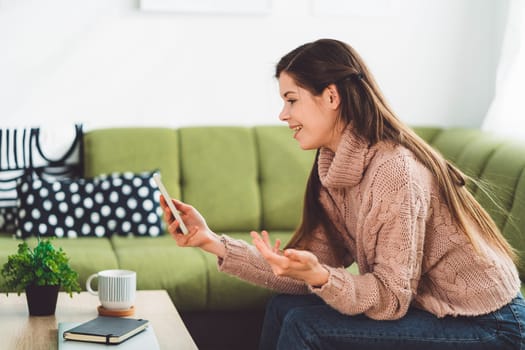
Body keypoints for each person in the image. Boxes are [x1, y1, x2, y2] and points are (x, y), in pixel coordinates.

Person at [160, 38, 525, 349]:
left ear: (330, 96)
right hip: (436, 310)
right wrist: (211, 241)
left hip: (491, 323)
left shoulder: (394, 170)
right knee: (283, 308)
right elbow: (303, 267)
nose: (282, 114)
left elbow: (391, 299)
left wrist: (322, 278)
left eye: (291, 99)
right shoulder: (335, 168)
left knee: (306, 325)